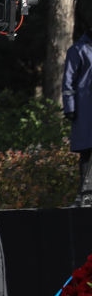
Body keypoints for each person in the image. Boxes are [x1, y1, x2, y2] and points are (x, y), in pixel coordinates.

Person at [63, 28, 92, 207]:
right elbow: (68, 80)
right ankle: (84, 195)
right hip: (86, 110)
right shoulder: (78, 50)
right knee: (87, 152)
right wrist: (70, 107)